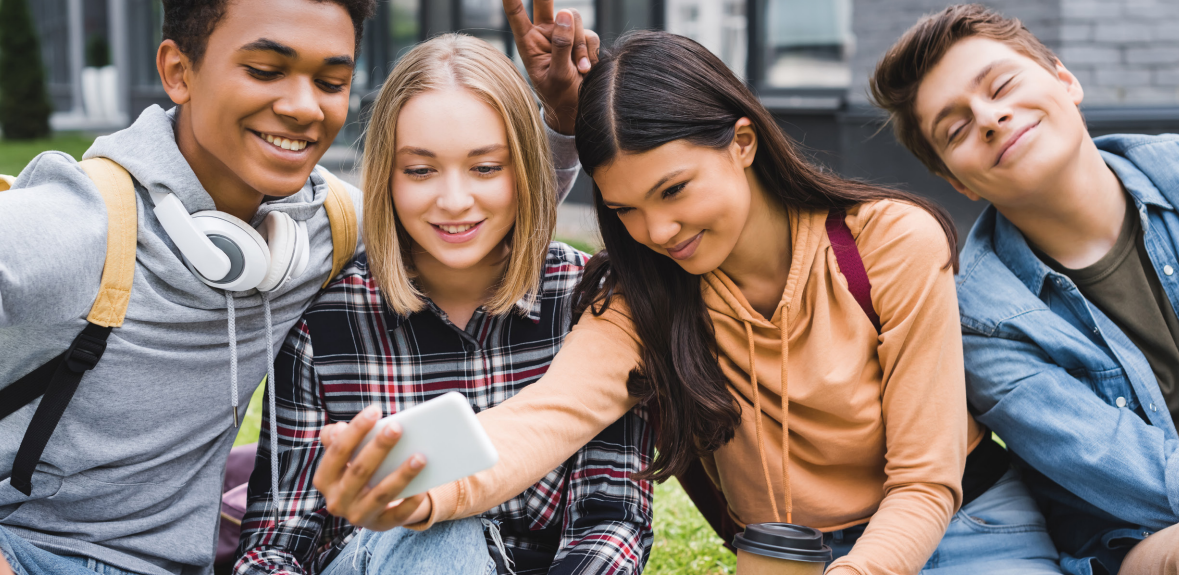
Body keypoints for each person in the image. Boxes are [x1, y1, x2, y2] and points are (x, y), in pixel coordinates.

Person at [308, 29, 1066, 575]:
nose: (658, 230)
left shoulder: (883, 241)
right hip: (789, 553)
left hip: (968, 531)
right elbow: (537, 422)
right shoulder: (642, 298)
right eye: (628, 210)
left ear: (741, 141)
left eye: (673, 190)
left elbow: (925, 478)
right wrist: (415, 491)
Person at [0, 0, 590, 573]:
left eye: (330, 81)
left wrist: (561, 123)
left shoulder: (329, 225)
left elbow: (466, 221)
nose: (303, 107)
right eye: (266, 70)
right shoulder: (77, 222)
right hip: (20, 550)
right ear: (179, 71)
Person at [235, 32, 653, 575]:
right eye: (420, 170)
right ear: (386, 175)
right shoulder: (328, 326)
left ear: (525, 168)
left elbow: (613, 519)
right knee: (439, 530)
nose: (454, 202)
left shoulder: (588, 303)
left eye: (485, 168)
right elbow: (276, 545)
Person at [867, 5, 1179, 575]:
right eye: (956, 128)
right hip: (1147, 535)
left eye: (1002, 85)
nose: (989, 118)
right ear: (955, 180)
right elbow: (1141, 477)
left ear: (1065, 80)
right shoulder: (979, 317)